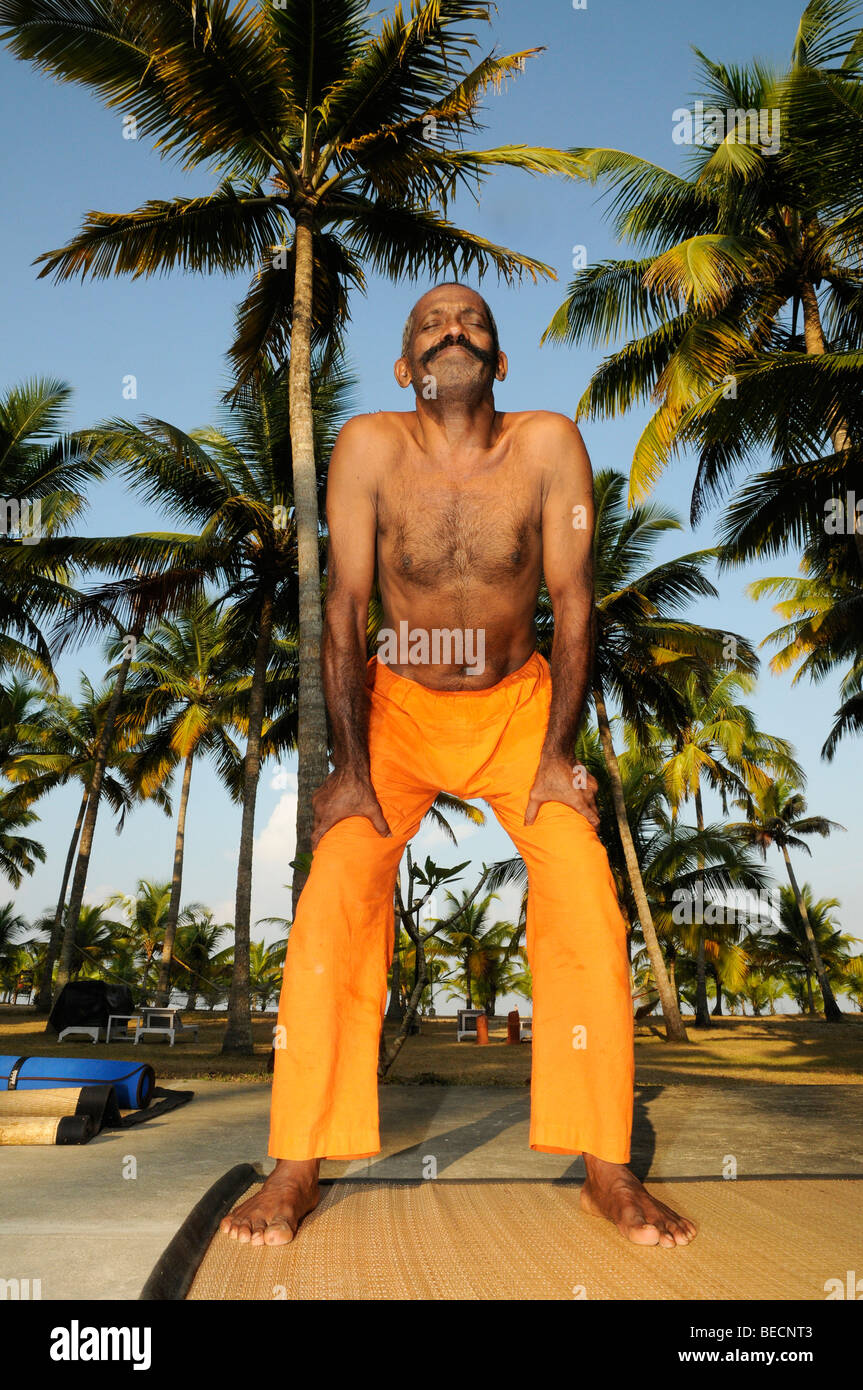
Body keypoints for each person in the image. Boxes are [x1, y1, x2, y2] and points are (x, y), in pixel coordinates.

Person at [221, 283, 697, 1251]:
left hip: (519, 707)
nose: (450, 329)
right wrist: (350, 772)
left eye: (470, 320)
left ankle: (604, 1163)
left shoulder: (547, 448)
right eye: (429, 324)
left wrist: (559, 757)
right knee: (333, 898)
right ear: (406, 368)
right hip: (395, 709)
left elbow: (573, 605)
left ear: (498, 358)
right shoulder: (365, 451)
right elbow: (345, 613)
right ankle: (298, 1161)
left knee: (583, 898)